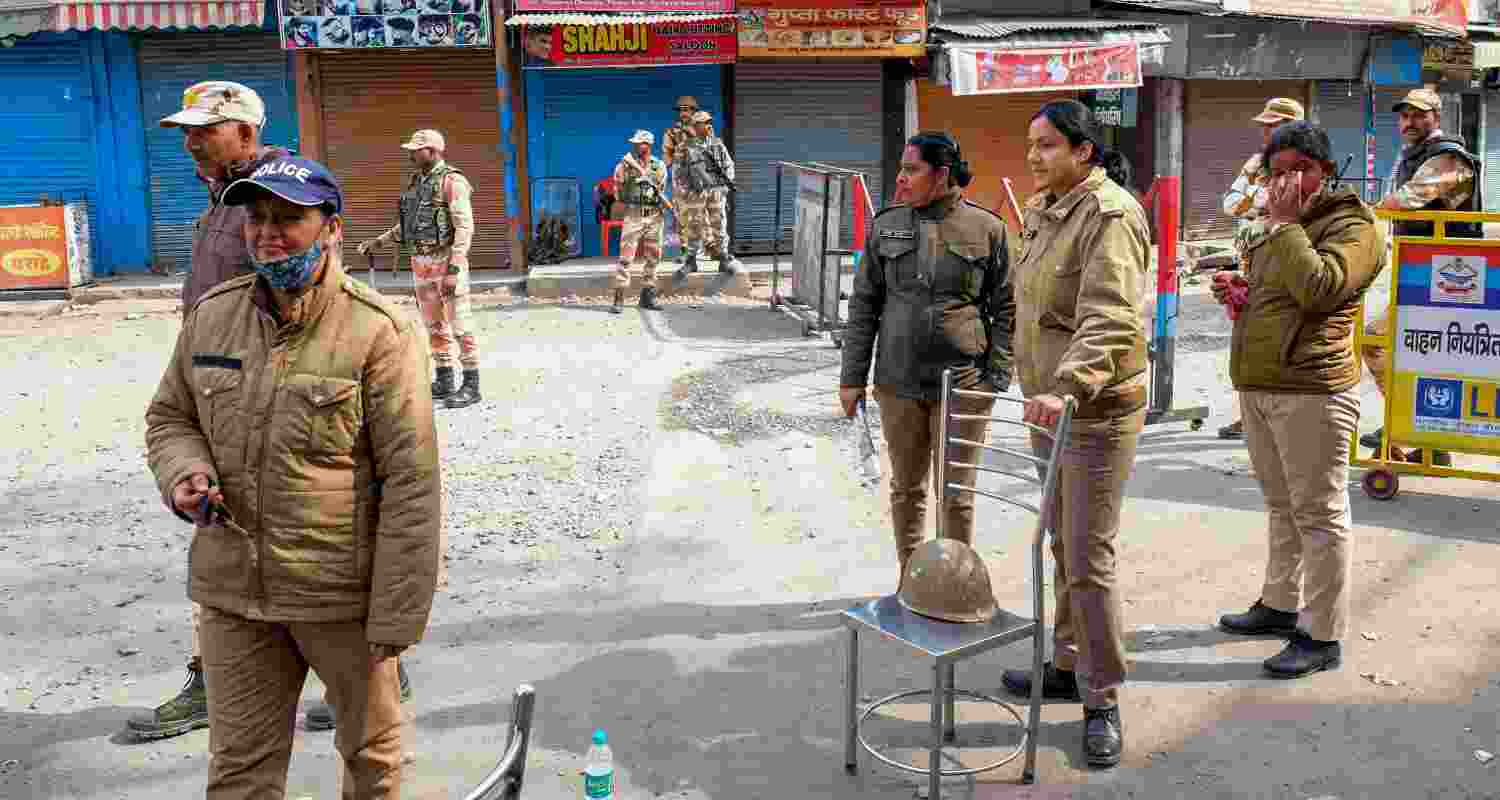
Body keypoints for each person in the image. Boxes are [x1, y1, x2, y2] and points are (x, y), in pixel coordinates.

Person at [145, 155, 442, 798]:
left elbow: (412, 483)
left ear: (331, 228)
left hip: (341, 599)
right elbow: (171, 417)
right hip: (235, 596)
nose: (267, 233)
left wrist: (397, 616)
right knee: (239, 769)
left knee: (374, 762)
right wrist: (185, 473)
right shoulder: (213, 316)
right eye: (256, 217)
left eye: (289, 219)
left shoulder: (379, 332)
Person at [126, 79, 292, 743]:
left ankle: (214, 684)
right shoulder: (221, 197)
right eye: (186, 132)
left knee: (243, 538)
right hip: (216, 388)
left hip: (256, 398)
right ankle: (370, 669)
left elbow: (296, 306)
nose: (190, 142)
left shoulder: (274, 197)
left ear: (246, 133)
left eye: (204, 130)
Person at [998, 100, 1151, 769]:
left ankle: (1103, 696)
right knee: (1062, 543)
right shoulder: (1047, 208)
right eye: (1030, 145)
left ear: (1084, 150)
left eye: (1048, 146)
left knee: (1089, 557)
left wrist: (1067, 386)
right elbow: (1032, 307)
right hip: (1050, 410)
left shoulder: (1110, 215)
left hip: (1093, 410)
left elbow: (1111, 317)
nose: (1034, 158)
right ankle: (1067, 663)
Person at [1213, 122, 1385, 680]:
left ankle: (1322, 632)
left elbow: (1321, 288)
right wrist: (1240, 293)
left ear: (1325, 171)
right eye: (1278, 170)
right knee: (1281, 504)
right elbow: (1279, 293)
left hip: (1313, 390)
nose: (1288, 181)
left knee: (1319, 513)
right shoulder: (1277, 227)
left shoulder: (1353, 225)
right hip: (1262, 384)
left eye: (1300, 169)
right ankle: (1279, 604)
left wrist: (1284, 226)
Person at [838, 130, 1015, 587]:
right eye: (902, 169)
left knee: (955, 493)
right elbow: (864, 305)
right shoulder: (887, 224)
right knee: (907, 488)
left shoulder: (988, 229)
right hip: (898, 380)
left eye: (911, 169)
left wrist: (996, 375)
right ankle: (913, 581)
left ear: (942, 174)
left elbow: (1007, 306)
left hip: (964, 382)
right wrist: (852, 376)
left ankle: (954, 587)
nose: (900, 179)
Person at [1362, 87, 1480, 466]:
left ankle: (1406, 425)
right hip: (1423, 272)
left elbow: (1410, 198)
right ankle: (1424, 440)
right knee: (1410, 353)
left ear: (1436, 117)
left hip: (1452, 277)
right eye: (1404, 116)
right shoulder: (1414, 154)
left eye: (1418, 115)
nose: (1409, 122)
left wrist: (1361, 213)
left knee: (1384, 343)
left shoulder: (1447, 157)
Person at [359, 129, 482, 409]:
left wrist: (454, 268)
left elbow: (465, 227)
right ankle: (445, 379)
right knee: (434, 325)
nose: (411, 154)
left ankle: (472, 384)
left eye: (417, 149)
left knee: (460, 324)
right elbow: (410, 225)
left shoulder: (453, 181)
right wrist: (379, 242)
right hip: (421, 263)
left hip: (446, 261)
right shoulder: (419, 182)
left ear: (434, 150)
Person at [1217, 97, 1304, 441]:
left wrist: (1260, 200)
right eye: (1265, 125)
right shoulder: (1257, 162)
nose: (1267, 131)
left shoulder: (1308, 163)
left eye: (1275, 124)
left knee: (1286, 340)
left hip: (1288, 259)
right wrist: (1262, 198)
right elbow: (1230, 204)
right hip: (1253, 258)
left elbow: (1294, 207)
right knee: (1248, 339)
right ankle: (1248, 415)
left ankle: (1286, 416)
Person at [671, 109, 743, 280]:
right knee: (694, 226)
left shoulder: (717, 144)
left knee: (719, 224)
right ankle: (691, 260)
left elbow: (728, 166)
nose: (707, 125)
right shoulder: (685, 146)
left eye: (707, 123)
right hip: (696, 192)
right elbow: (678, 171)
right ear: (695, 126)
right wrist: (684, 192)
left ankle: (723, 258)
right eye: (702, 123)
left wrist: (725, 188)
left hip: (716, 191)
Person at [612, 129, 670, 313]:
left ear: (649, 145)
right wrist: (632, 180)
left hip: (654, 214)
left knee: (653, 256)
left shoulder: (659, 165)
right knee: (625, 258)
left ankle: (647, 296)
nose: (637, 146)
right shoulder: (625, 165)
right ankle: (619, 296)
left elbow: (661, 187)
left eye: (641, 143)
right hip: (634, 214)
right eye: (635, 143)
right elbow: (618, 193)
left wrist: (648, 180)